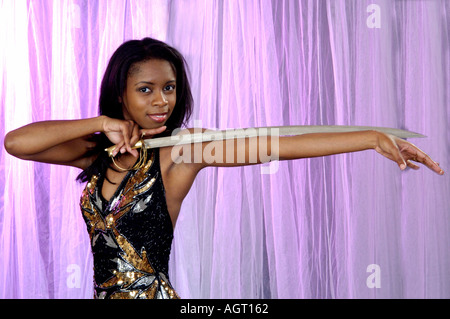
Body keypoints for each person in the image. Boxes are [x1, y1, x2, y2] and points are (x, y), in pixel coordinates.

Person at [3, 37, 444, 299]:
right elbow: (16, 142)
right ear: (122, 94)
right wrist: (101, 124)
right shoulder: (95, 154)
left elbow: (275, 145)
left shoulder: (185, 151)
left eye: (170, 88)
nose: (162, 101)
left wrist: (368, 139)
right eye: (146, 89)